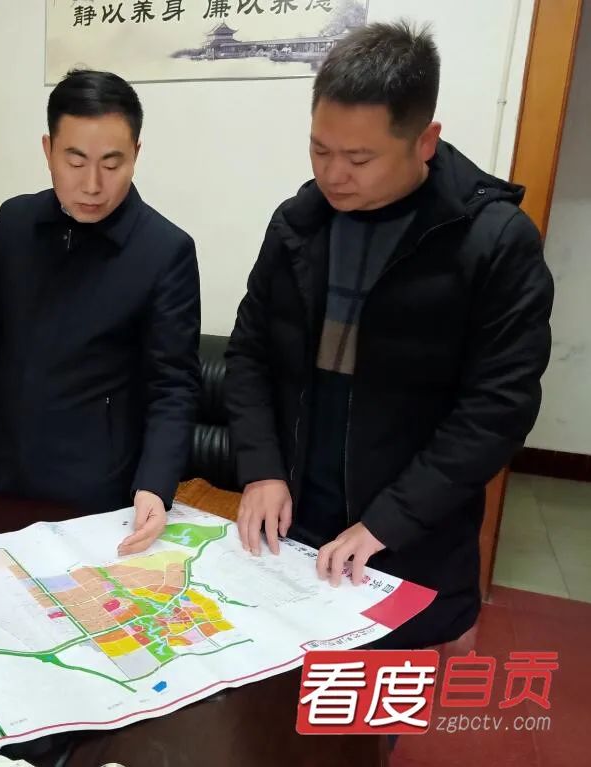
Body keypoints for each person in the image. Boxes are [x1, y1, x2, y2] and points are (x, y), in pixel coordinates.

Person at [224, 21, 553, 650]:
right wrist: (262, 469)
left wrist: (388, 521)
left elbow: (497, 409)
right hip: (293, 523)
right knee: (275, 694)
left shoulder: (492, 242)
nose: (333, 174)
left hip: (411, 534)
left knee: (382, 703)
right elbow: (249, 354)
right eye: (319, 149)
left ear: (425, 140)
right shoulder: (298, 223)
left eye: (359, 159)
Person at [0, 69, 201, 555]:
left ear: (136, 154)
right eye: (75, 160)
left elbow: (173, 385)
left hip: (95, 487)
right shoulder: (14, 222)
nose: (92, 184)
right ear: (48, 150)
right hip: (0, 470)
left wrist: (155, 484)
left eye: (112, 163)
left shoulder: (165, 250)